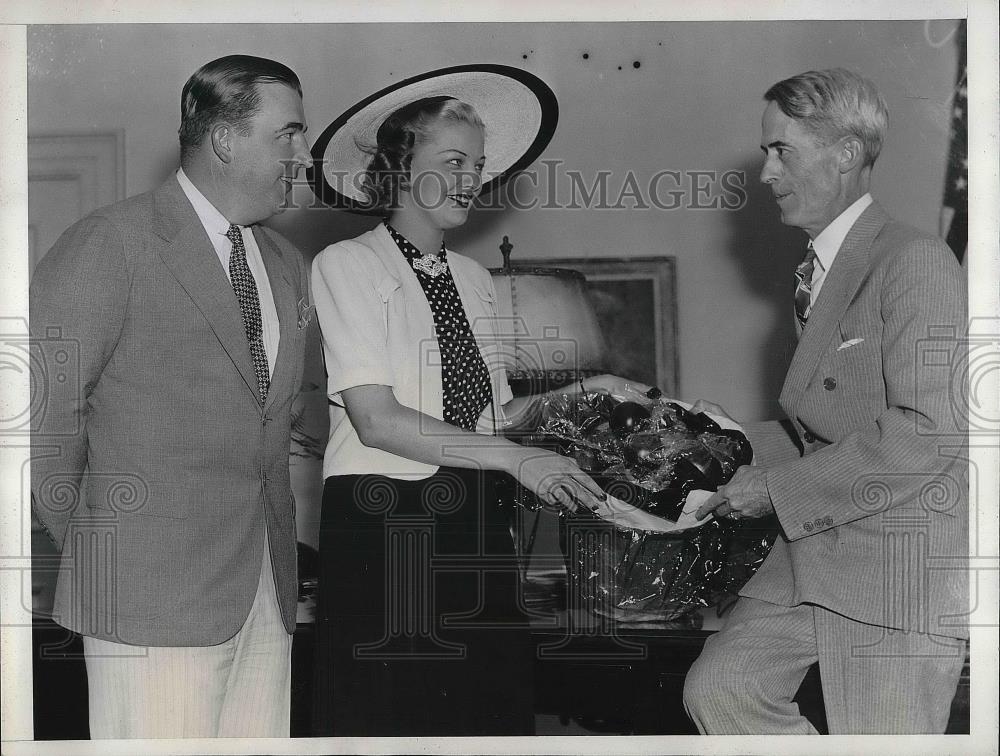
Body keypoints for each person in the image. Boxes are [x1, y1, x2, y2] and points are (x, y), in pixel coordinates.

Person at [307, 65, 649, 735]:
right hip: (388, 521)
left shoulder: (472, 278)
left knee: (482, 714)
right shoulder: (348, 265)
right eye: (454, 161)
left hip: (476, 519)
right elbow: (377, 419)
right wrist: (517, 462)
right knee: (393, 720)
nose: (471, 178)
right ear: (401, 166)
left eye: (479, 165)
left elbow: (495, 417)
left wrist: (589, 392)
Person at [29, 55, 313, 739]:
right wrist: (113, 553)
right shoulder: (112, 241)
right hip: (147, 598)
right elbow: (40, 422)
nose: (304, 154)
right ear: (225, 139)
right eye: (289, 134)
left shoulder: (283, 262)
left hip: (265, 598)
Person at [683, 68, 968, 734]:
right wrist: (721, 439)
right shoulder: (822, 269)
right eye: (766, 151)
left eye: (781, 150)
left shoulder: (914, 261)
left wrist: (777, 492)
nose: (765, 172)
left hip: (898, 560)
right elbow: (827, 431)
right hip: (816, 550)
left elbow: (927, 433)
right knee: (723, 690)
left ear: (843, 154)